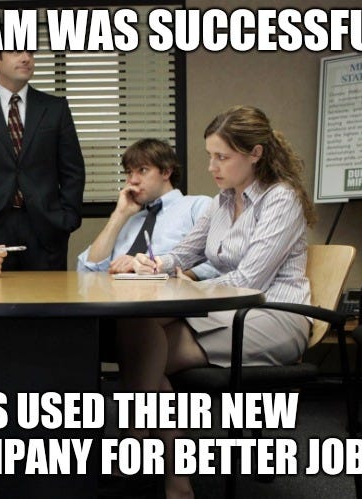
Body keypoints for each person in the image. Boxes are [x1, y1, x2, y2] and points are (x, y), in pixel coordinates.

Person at [119, 105, 316, 499]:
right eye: (210, 155)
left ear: (255, 154)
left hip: (274, 315)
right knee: (139, 331)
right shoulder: (221, 201)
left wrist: (183, 289)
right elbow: (184, 254)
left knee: (144, 354)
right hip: (226, 312)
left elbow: (248, 282)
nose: (212, 166)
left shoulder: (281, 199)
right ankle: (172, 477)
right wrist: (151, 264)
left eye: (222, 157)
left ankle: (141, 443)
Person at [0, 50, 85, 271]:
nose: (26, 58)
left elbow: (73, 171)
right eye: (16, 52)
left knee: (50, 292)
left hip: (46, 227)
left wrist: (67, 218)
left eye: (30, 53)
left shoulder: (55, 108)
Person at [77, 138, 217, 280]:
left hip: (168, 292)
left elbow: (219, 263)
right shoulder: (129, 220)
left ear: (166, 172)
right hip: (115, 292)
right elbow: (87, 269)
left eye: (142, 170)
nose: (133, 180)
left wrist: (165, 273)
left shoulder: (198, 206)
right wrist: (119, 215)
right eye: (129, 172)